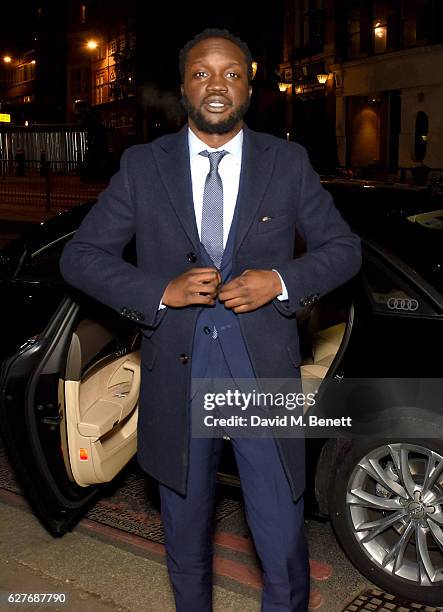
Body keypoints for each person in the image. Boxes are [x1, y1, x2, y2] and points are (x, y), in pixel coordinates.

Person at [60, 28, 361, 612]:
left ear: (250, 85)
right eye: (202, 73)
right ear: (182, 86)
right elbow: (81, 256)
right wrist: (160, 292)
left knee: (279, 529)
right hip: (178, 374)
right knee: (185, 530)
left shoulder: (287, 161)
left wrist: (279, 282)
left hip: (260, 371)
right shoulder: (144, 165)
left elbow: (343, 249)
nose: (216, 85)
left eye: (231, 73)